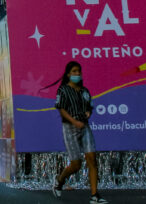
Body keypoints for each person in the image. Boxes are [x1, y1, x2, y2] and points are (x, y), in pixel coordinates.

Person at [51, 62, 107, 203]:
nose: (77, 74)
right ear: (68, 74)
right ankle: (59, 180)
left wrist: (88, 112)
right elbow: (61, 109)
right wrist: (74, 121)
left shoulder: (84, 91)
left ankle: (94, 195)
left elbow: (90, 106)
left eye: (79, 71)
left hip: (85, 126)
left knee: (92, 159)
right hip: (70, 128)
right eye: (74, 71)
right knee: (76, 164)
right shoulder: (63, 90)